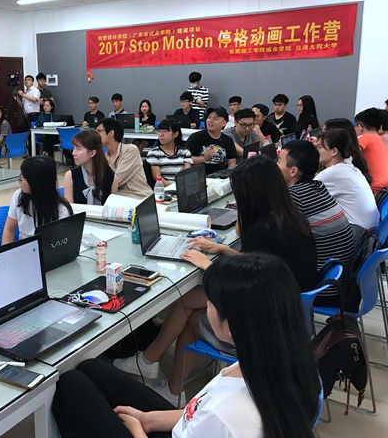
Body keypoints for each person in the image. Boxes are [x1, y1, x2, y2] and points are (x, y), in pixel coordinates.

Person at [114, 155, 318, 405]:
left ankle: (163, 378)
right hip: (286, 311)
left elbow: (247, 286)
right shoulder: (289, 216)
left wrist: (209, 266)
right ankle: (151, 363)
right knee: (189, 300)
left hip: (265, 326)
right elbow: (262, 265)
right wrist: (224, 250)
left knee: (190, 313)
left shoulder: (263, 230)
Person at [56, 253, 321, 438]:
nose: (206, 305)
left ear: (232, 325)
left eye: (210, 301)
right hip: (193, 426)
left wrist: (137, 431)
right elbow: (197, 413)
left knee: (70, 385)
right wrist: (148, 420)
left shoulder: (224, 413)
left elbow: (210, 417)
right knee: (89, 368)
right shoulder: (278, 361)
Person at [278, 140, 355, 279]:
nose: (275, 166)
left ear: (293, 171)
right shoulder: (318, 186)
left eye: (279, 161)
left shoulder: (294, 196)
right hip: (339, 273)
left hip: (323, 280)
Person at [315, 129, 378, 236]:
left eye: (320, 147)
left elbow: (303, 196)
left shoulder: (332, 173)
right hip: (369, 231)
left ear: (334, 151)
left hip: (357, 233)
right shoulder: (349, 167)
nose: (316, 151)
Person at [2, 156, 73, 242]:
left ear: (36, 183)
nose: (20, 180)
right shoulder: (19, 195)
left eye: (23, 177)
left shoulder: (61, 210)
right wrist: (7, 250)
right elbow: (9, 230)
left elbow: (58, 243)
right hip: (25, 248)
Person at [96, 118, 151, 200]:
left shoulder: (130, 150)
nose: (95, 135)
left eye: (99, 131)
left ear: (111, 133)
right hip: (119, 199)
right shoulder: (105, 157)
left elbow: (116, 180)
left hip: (139, 198)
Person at [64, 130, 118, 205]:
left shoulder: (111, 177)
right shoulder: (70, 176)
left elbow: (112, 208)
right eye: (74, 148)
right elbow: (70, 208)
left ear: (92, 153)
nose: (73, 153)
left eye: (78, 149)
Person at [184, 107, 237, 174]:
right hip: (200, 175)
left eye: (215, 119)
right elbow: (185, 159)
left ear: (224, 123)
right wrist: (204, 158)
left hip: (220, 175)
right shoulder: (196, 137)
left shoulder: (228, 140)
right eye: (209, 117)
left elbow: (232, 162)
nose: (210, 121)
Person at [354, 108, 388, 193]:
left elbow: (348, 153)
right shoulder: (382, 141)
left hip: (373, 187)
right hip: (386, 189)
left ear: (360, 127)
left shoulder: (365, 137)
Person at [146, 120, 191, 187]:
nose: (161, 134)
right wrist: (173, 187)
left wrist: (181, 188)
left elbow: (186, 174)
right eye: (159, 131)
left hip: (182, 187)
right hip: (164, 188)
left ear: (175, 134)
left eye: (165, 131)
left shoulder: (185, 152)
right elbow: (157, 177)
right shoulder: (154, 153)